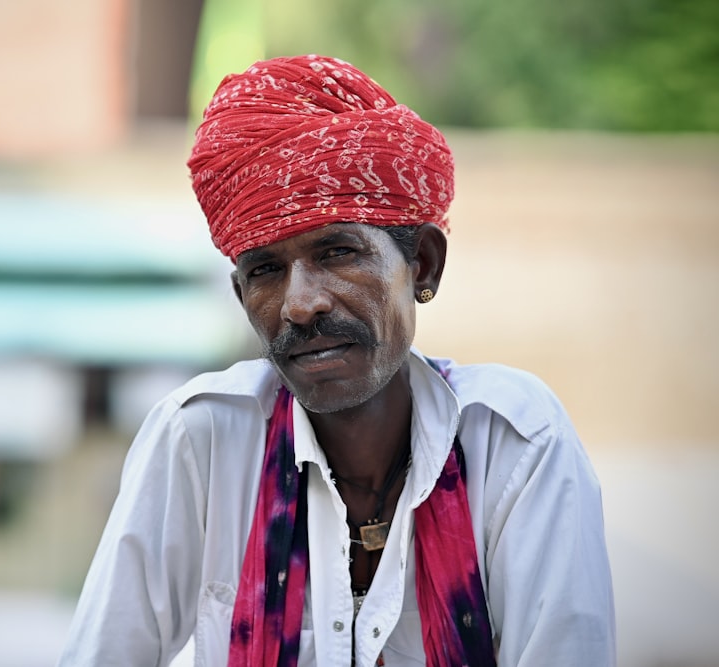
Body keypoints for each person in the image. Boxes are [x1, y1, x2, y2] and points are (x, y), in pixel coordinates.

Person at [60, 54, 615, 666]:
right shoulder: (203, 437)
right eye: (266, 270)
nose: (300, 304)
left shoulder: (515, 446)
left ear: (423, 264)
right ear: (242, 297)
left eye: (338, 251)